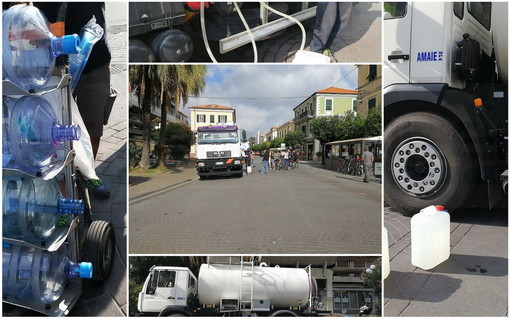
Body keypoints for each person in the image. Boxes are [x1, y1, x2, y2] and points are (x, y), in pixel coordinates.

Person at [35, 2, 112, 199]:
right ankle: (64, 194)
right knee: (56, 134)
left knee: (93, 130)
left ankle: (89, 175)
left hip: (95, 64)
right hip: (56, 68)